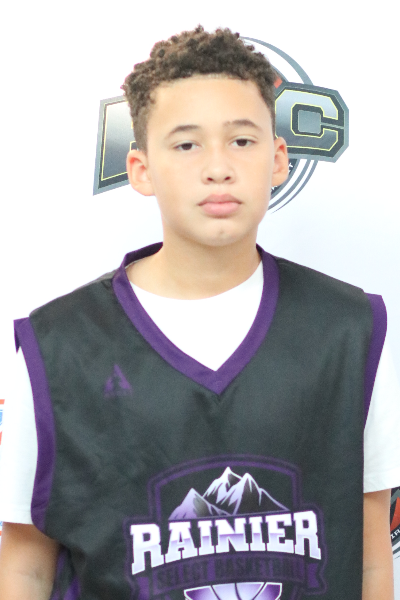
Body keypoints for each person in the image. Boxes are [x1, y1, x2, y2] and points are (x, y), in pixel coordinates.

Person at [0, 25, 399, 600]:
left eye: (242, 141)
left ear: (278, 160)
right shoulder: (57, 344)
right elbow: (25, 566)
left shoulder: (350, 329)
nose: (218, 167)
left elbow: (370, 556)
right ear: (140, 169)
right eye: (187, 145)